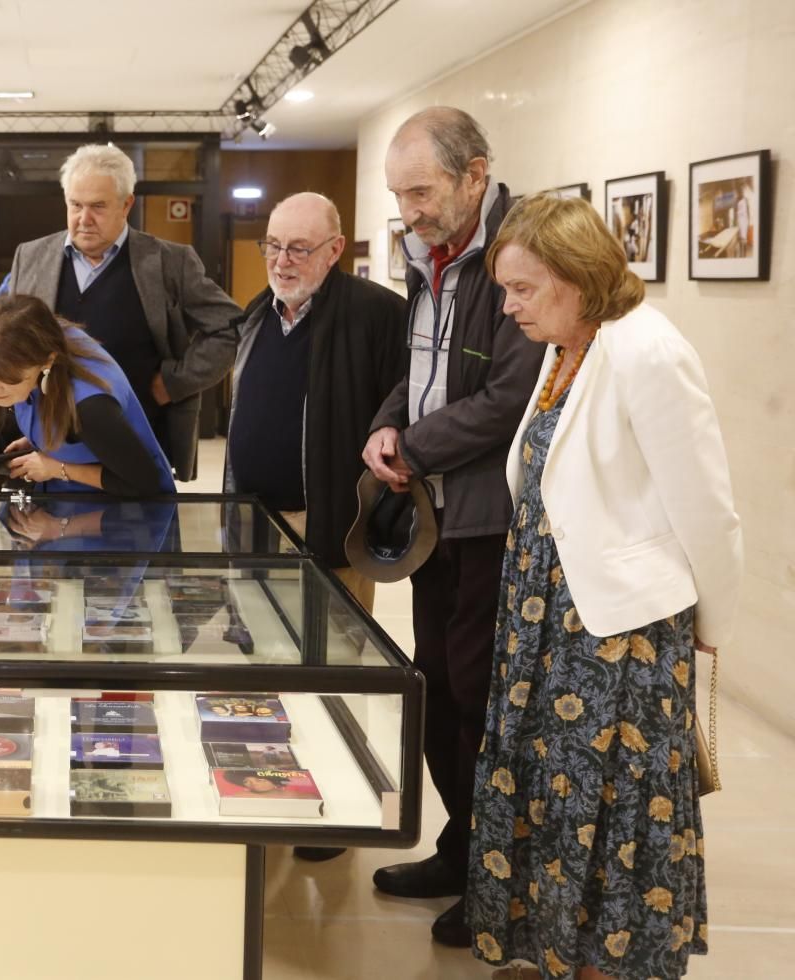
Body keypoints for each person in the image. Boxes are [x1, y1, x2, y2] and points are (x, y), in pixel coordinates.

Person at [467, 195, 741, 980]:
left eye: (523, 289)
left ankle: (605, 964)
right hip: (545, 617)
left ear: (578, 276)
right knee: (550, 801)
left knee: (610, 807)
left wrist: (710, 624)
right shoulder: (569, 344)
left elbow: (706, 507)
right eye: (506, 289)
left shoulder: (647, 352)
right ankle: (554, 951)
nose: (509, 307)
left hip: (616, 636)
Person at [361, 106, 544, 947]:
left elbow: (510, 397)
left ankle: (494, 879)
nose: (409, 211)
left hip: (489, 520)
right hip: (436, 512)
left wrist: (415, 446)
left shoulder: (521, 252)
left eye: (421, 192)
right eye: (399, 195)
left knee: (477, 699)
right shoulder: (427, 254)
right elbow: (421, 367)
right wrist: (387, 424)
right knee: (435, 687)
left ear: (476, 175)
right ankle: (460, 848)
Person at [6, 143, 241, 480]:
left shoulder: (168, 262)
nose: (84, 219)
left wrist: (174, 382)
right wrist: (30, 426)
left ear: (127, 204)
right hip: (55, 446)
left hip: (139, 446)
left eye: (98, 206)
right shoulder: (30, 257)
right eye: (75, 205)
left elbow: (231, 327)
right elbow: (13, 342)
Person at [223, 191, 406, 612]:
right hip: (253, 524)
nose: (281, 261)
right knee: (255, 640)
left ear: (334, 250)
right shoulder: (258, 313)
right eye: (273, 245)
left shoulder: (378, 313)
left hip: (329, 531)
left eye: (299, 248)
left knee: (332, 646)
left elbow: (405, 406)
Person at [0, 294, 175, 498]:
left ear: (47, 361)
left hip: (120, 511)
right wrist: (43, 438)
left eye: (8, 378)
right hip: (66, 503)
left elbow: (145, 482)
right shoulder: (42, 337)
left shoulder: (89, 408)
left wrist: (57, 468)